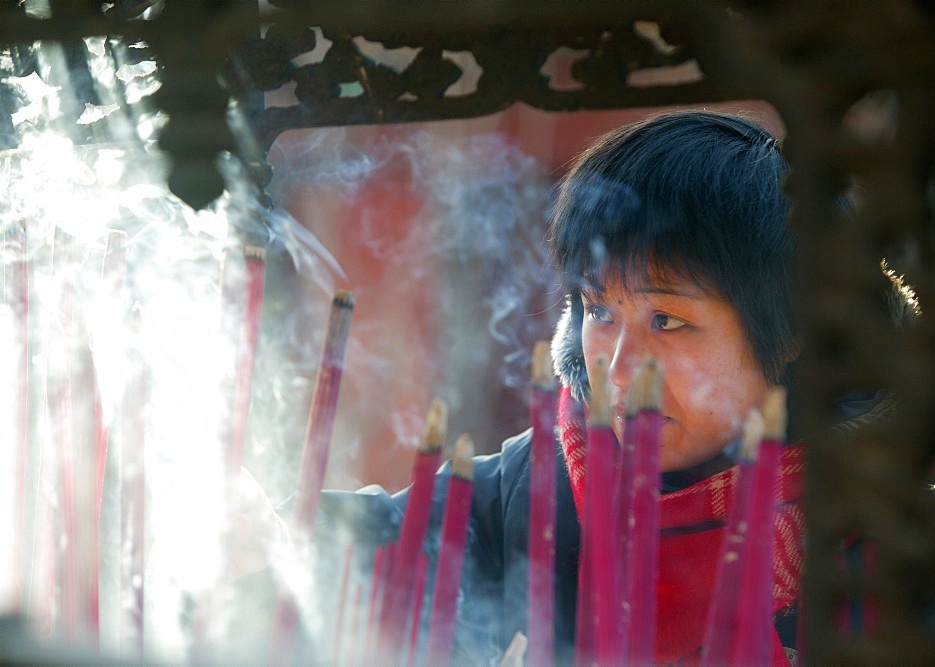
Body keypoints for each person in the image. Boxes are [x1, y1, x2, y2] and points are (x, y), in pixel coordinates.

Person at [303, 110, 822, 665]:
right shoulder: (531, 493)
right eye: (599, 310)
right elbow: (354, 543)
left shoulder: (873, 526)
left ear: (788, 329)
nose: (618, 371)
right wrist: (255, 528)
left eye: (667, 320)